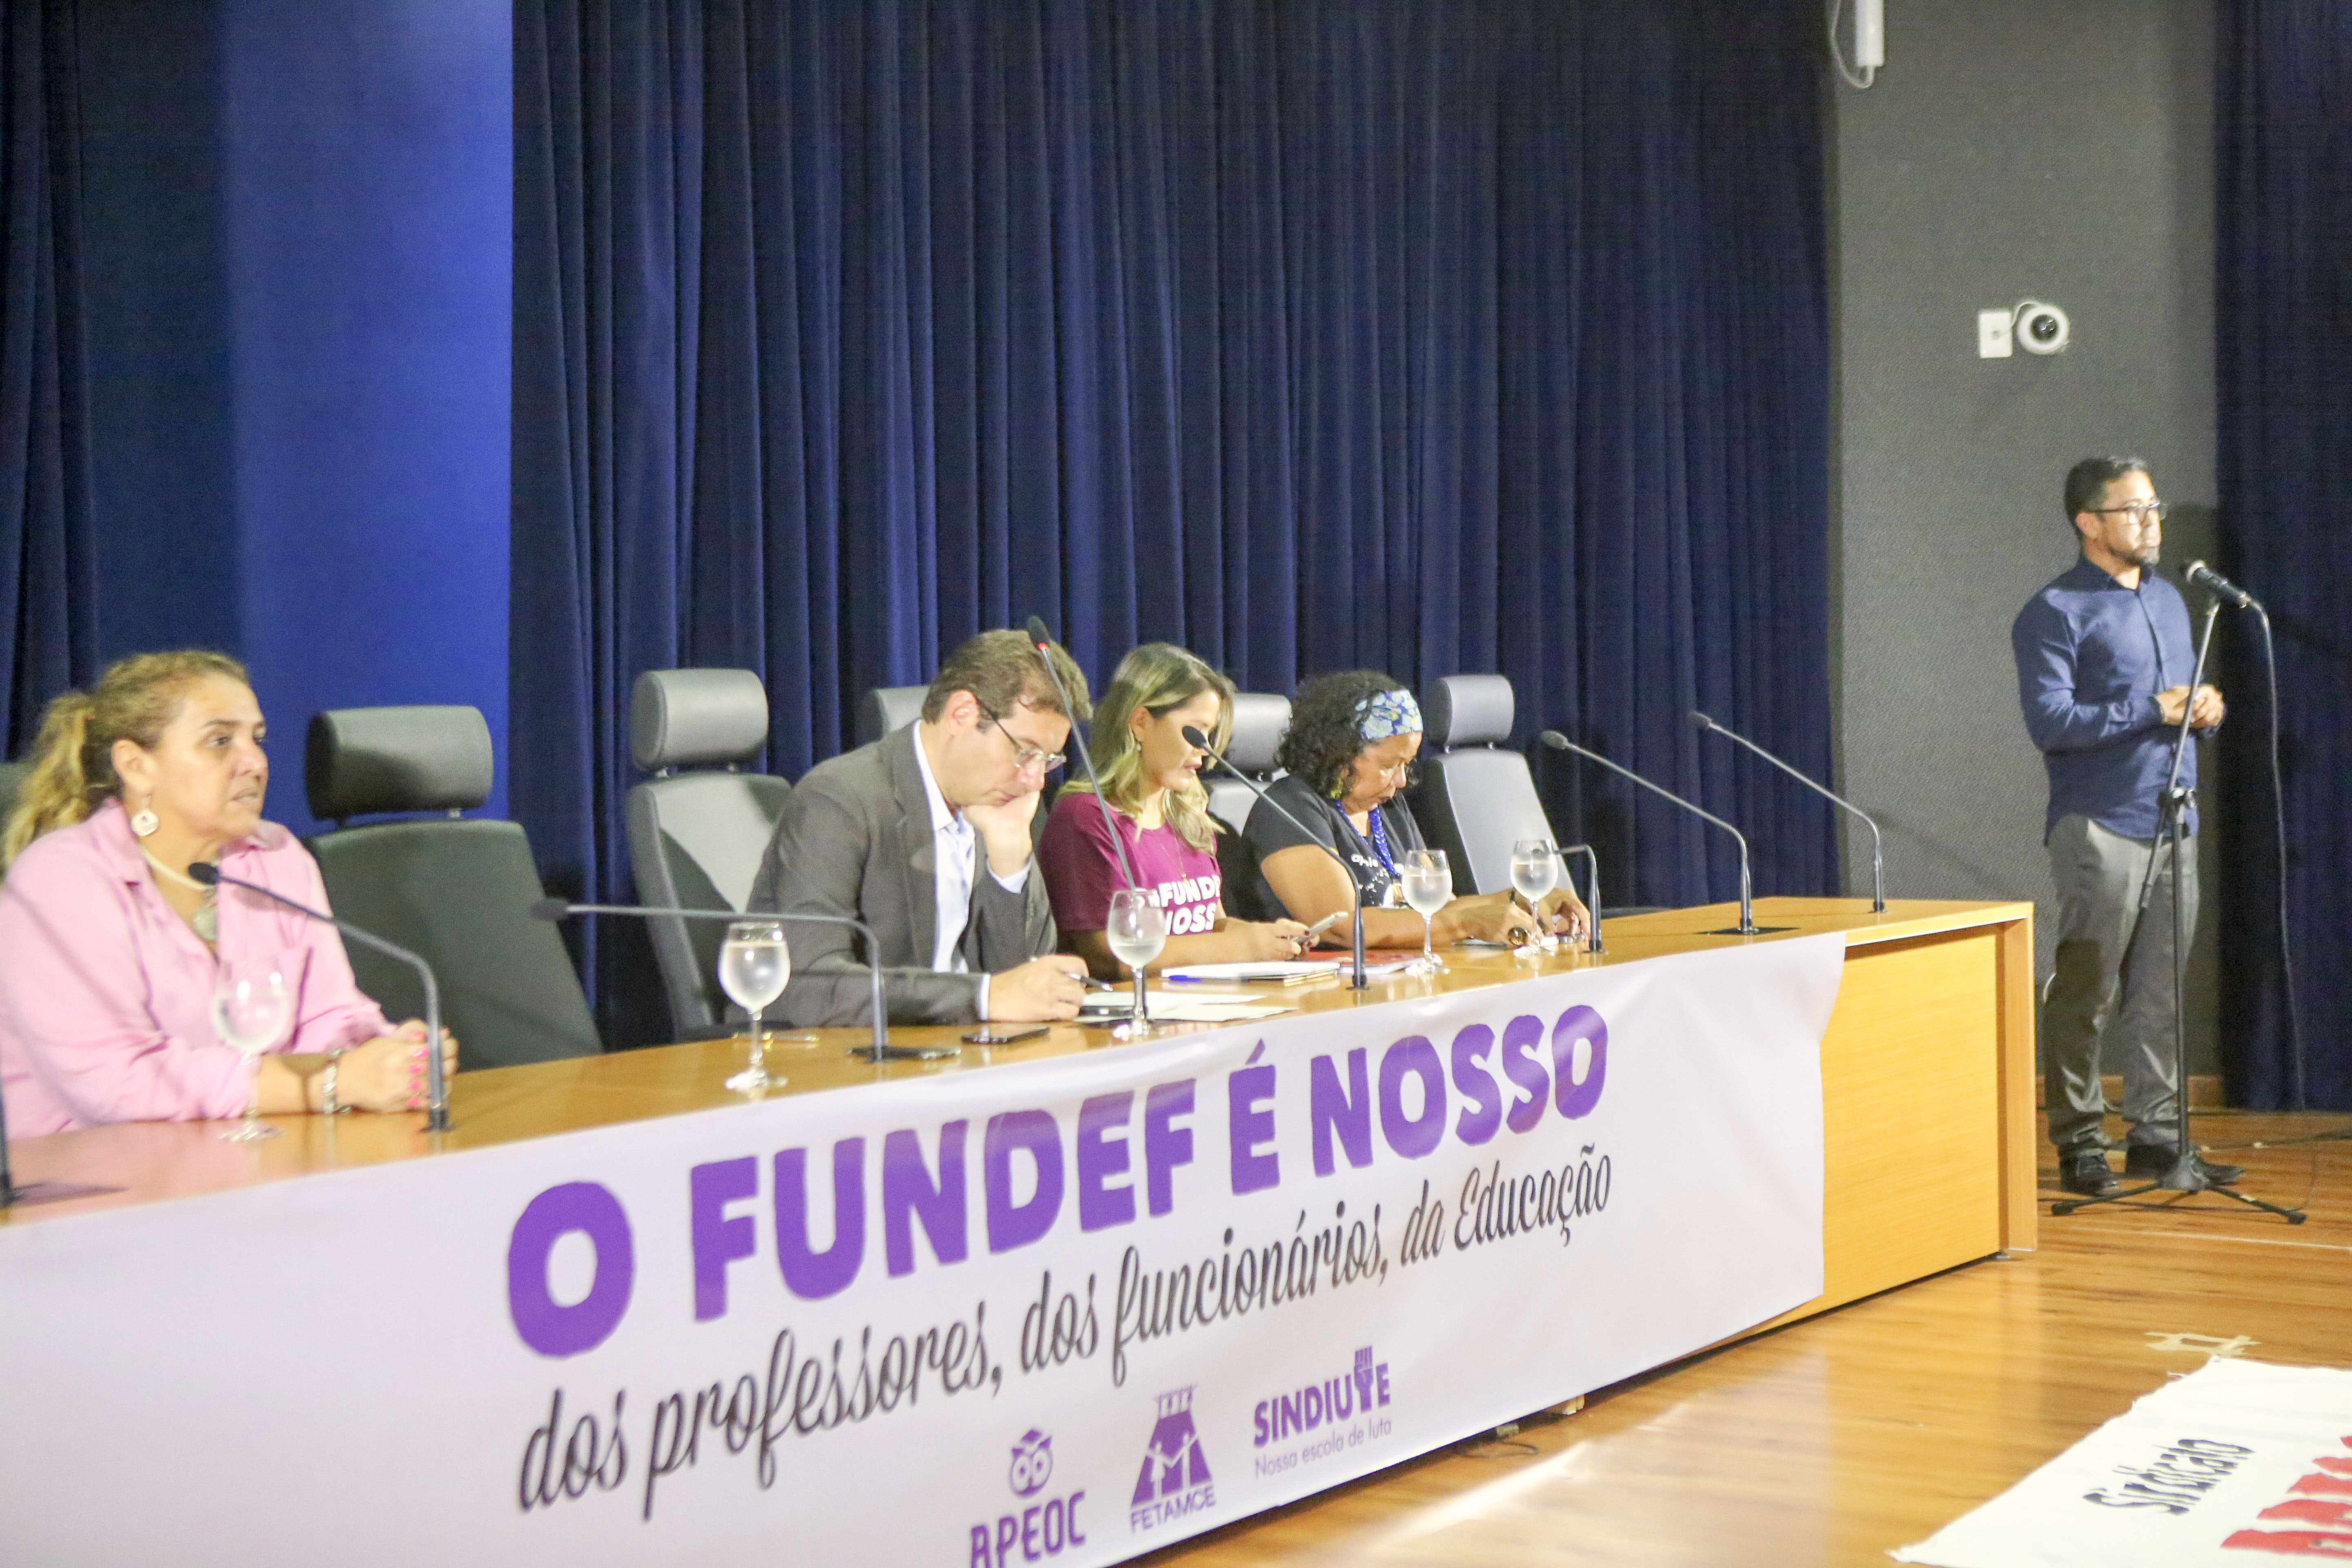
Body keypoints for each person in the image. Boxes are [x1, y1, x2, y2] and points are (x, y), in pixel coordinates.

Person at [0, 652, 456, 1136]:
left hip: (257, 1154)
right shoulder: (61, 880)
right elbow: (115, 1083)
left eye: (256, 739)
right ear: (136, 766)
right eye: (220, 741)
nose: (255, 763)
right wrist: (332, 1081)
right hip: (87, 1169)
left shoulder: (276, 857)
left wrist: (384, 1052)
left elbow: (329, 1012)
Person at [2012, 456, 2236, 1197]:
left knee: (2161, 992)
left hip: (2175, 816)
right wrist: (2153, 710)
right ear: (2089, 522)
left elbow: (2178, 703)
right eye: (2133, 509)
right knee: (2089, 991)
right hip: (2101, 824)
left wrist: (2205, 708)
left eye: (2154, 506)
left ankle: (2158, 1138)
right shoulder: (2054, 611)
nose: (2151, 521)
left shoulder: (2170, 600)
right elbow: (2052, 722)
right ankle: (2080, 1144)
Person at [749, 629, 1091, 1026]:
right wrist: (981, 997)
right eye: (1025, 752)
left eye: (1047, 760)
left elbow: (1025, 983)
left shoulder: (1001, 802)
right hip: (854, 1053)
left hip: (967, 1049)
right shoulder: (840, 799)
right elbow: (808, 985)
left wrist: (1010, 859)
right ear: (962, 715)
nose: (1035, 780)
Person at [1240, 670, 1588, 948]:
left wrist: (1520, 901)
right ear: (1339, 753)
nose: (1402, 780)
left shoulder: (1387, 808)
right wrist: (1466, 923)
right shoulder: (1289, 808)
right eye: (1389, 765)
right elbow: (1341, 927)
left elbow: (1441, 907)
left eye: (1406, 764)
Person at [1037, 644, 1312, 978]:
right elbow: (1107, 955)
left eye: (1210, 733)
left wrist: (1269, 938)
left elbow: (1212, 925)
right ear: (1141, 723)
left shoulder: (1190, 816)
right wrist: (1242, 947)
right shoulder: (1087, 817)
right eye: (1196, 731)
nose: (1205, 749)